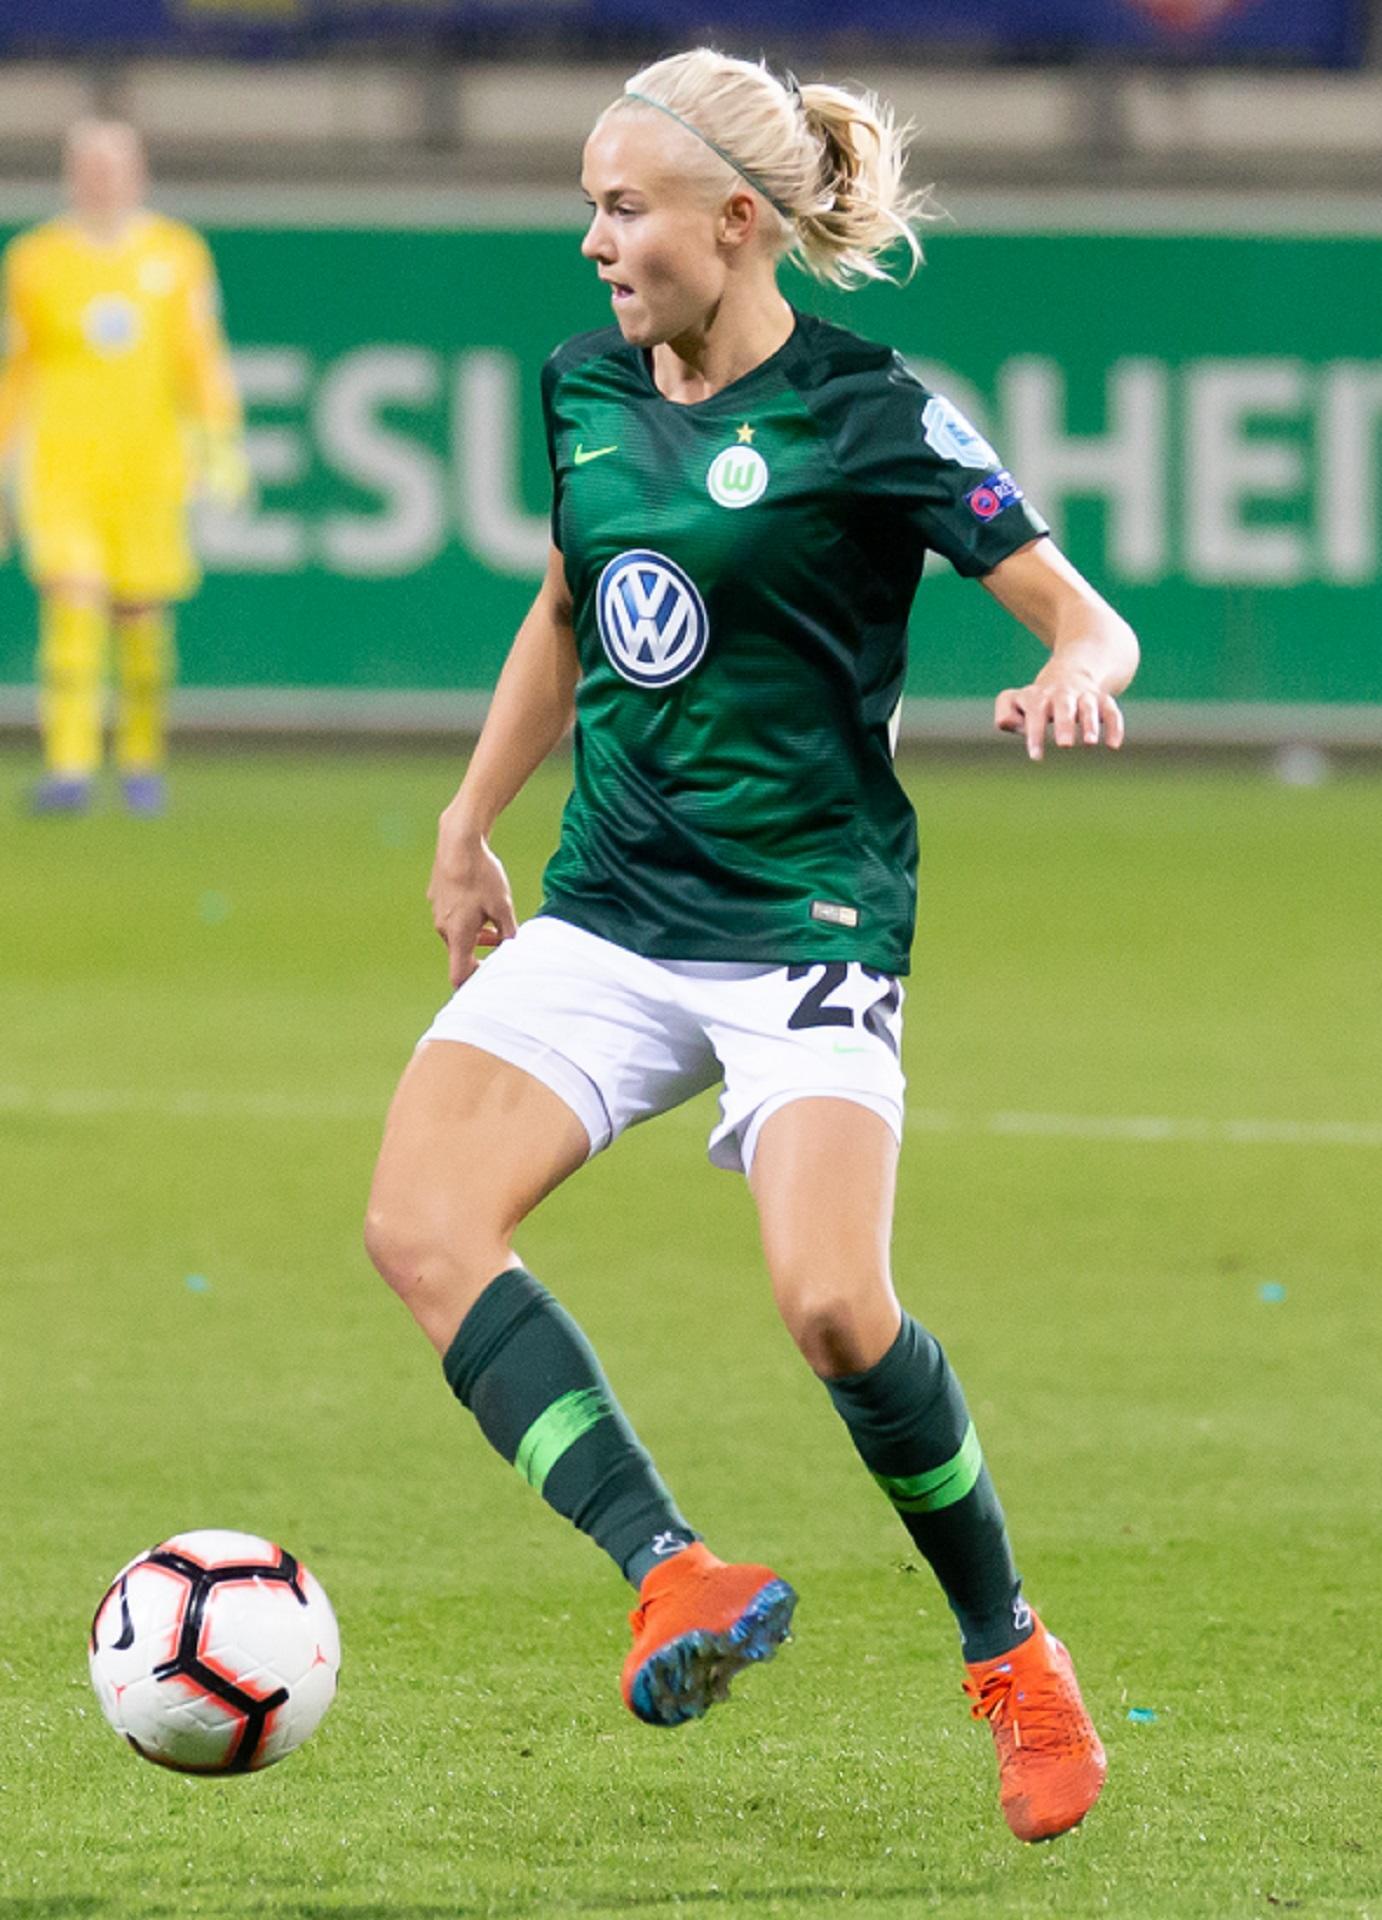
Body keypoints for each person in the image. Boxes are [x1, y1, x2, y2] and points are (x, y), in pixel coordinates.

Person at [364, 49, 1139, 1845]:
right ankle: (671, 1571)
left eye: (620, 208)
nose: (589, 243)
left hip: (803, 921)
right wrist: (466, 821)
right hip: (616, 909)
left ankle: (1008, 1651)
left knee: (830, 1305)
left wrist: (1067, 676)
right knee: (417, 1220)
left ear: (735, 222)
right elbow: (569, 601)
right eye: (586, 204)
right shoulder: (580, 389)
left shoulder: (872, 412)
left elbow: (1083, 618)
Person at [0, 119, 248, 816]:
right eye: (90, 167)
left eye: (115, 166)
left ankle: (141, 762)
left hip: (148, 466)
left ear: (138, 173)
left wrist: (220, 444)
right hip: (62, 467)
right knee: (72, 607)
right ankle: (70, 765)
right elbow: (16, 371)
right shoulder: (35, 260)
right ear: (71, 175)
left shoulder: (177, 255)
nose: (102, 179)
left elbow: (200, 361)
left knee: (140, 618)